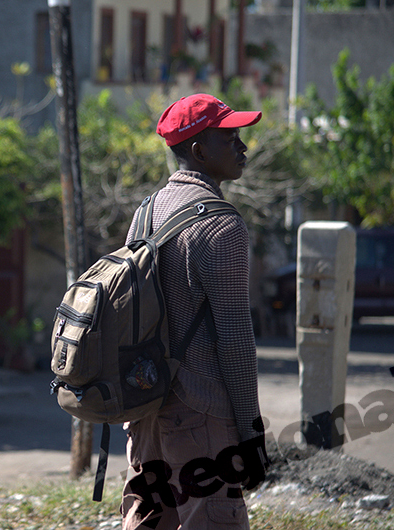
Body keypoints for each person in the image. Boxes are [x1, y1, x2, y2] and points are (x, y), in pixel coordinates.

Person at [120, 94, 269, 530]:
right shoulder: (221, 225)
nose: (242, 148)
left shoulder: (147, 211)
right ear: (199, 151)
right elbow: (236, 340)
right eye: (231, 138)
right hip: (199, 410)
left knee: (151, 521)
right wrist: (251, 432)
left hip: (145, 402)